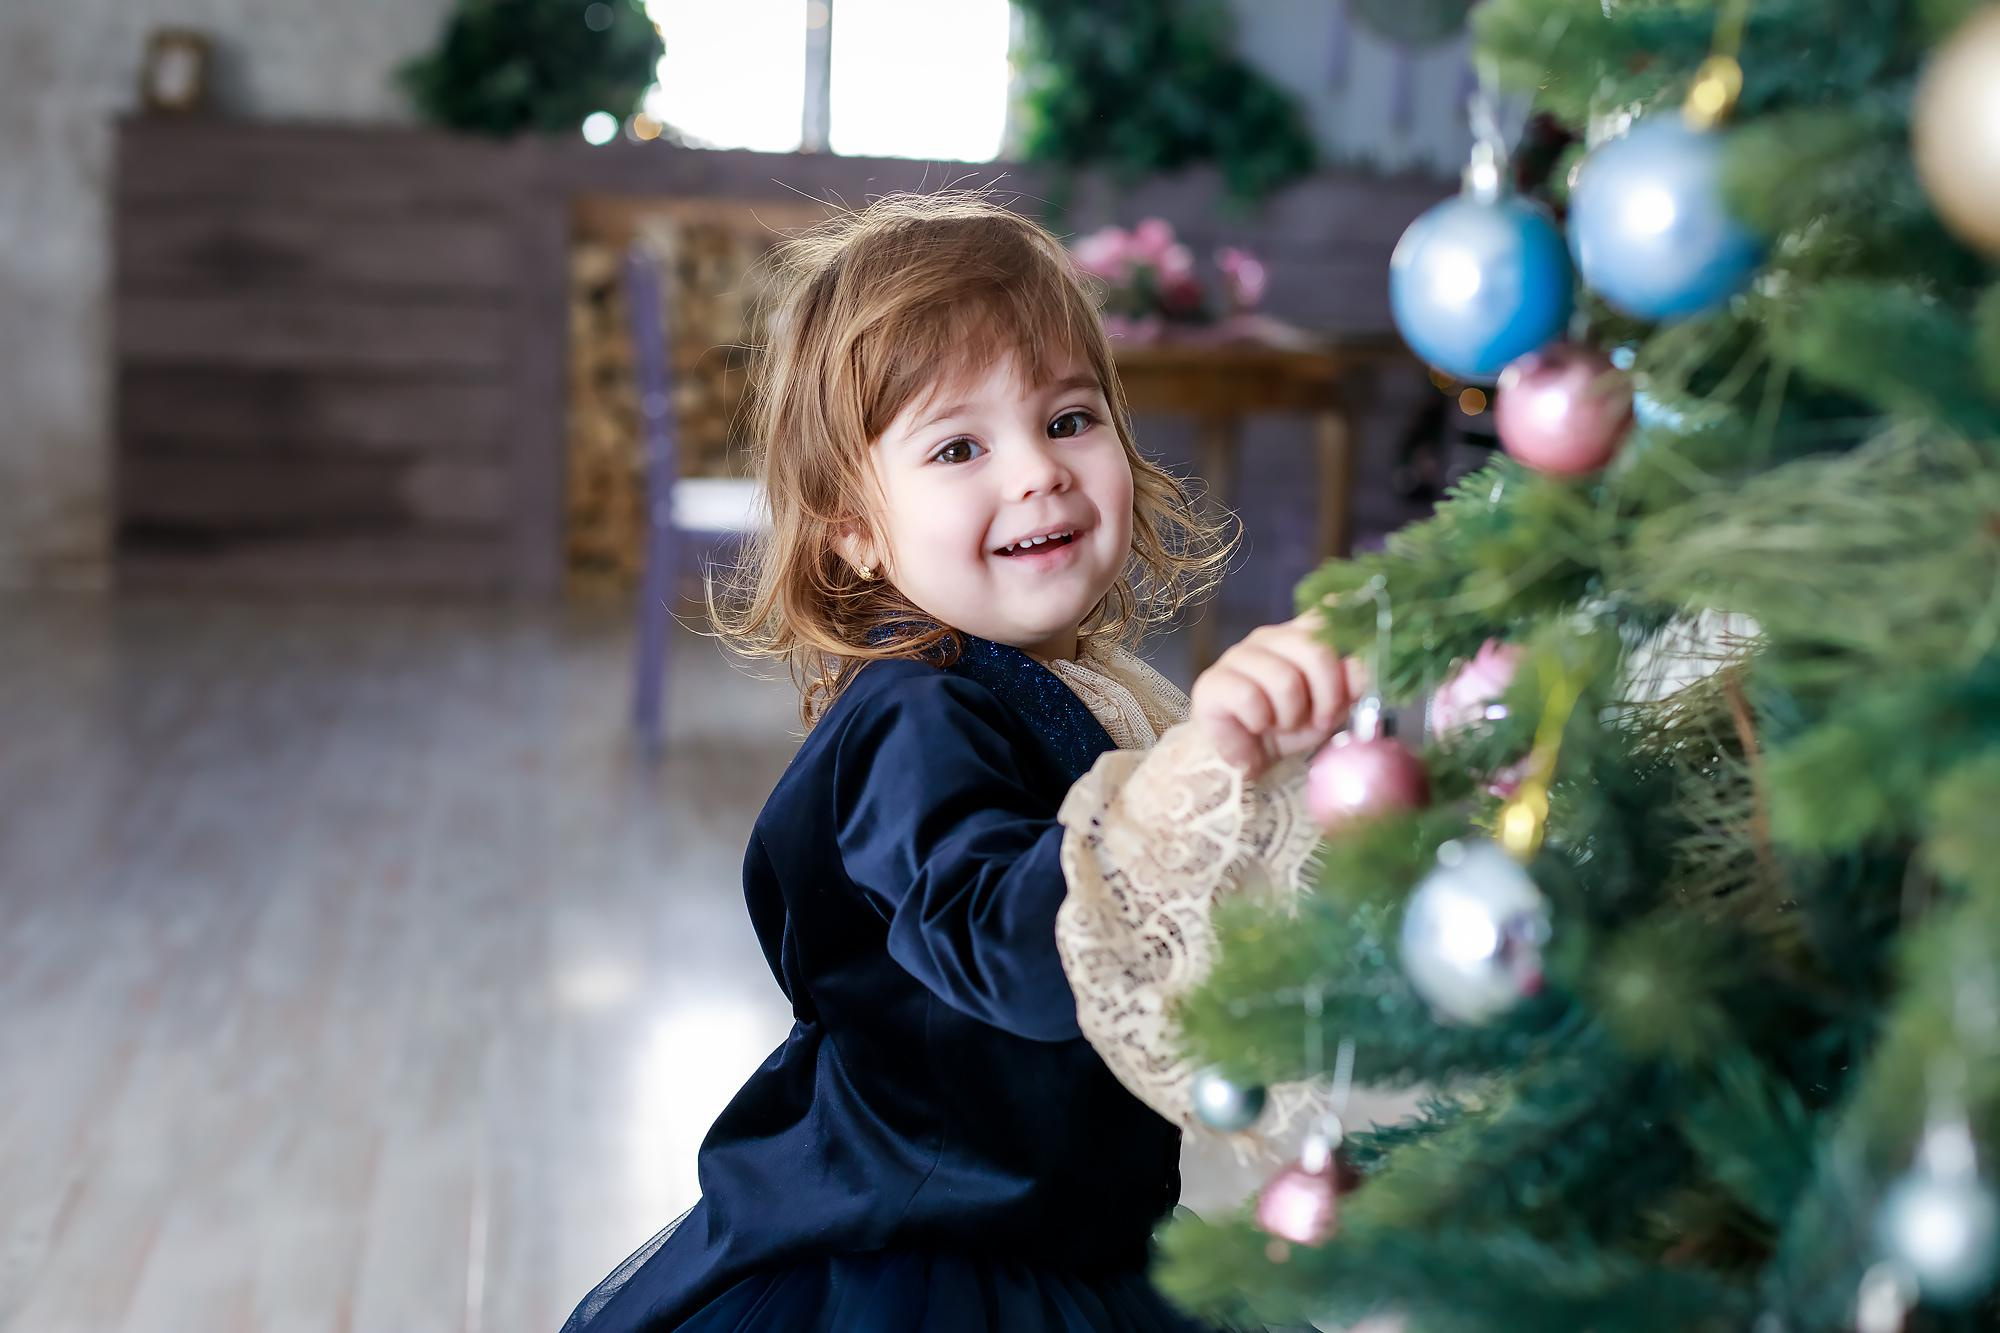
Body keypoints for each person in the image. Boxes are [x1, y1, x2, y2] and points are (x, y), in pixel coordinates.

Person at [562, 193, 1355, 1333]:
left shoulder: (1091, 688)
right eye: (958, 446)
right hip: (928, 1263)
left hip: (1061, 1229)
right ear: (854, 528)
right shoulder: (911, 715)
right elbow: (1012, 944)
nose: (1035, 471)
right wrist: (1200, 776)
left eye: (1070, 418)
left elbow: (1190, 929)